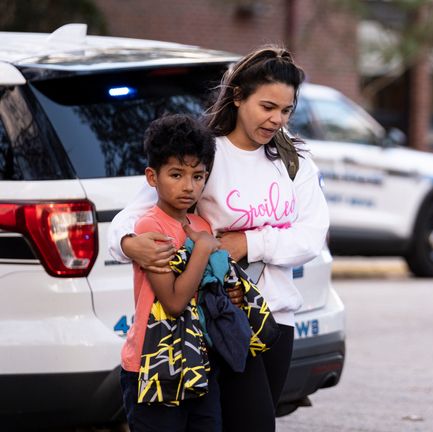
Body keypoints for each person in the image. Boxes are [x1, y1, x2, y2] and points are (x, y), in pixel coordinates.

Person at [108, 46, 330, 432]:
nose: (277, 119)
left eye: (286, 110)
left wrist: (247, 244)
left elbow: (311, 236)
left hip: (276, 318)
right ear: (239, 96)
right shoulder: (207, 154)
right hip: (223, 319)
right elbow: (135, 216)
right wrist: (128, 243)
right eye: (267, 107)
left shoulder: (295, 161)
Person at [119, 114, 221, 432]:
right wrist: (203, 251)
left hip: (198, 362)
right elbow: (174, 302)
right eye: (176, 174)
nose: (188, 186)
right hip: (154, 364)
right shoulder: (151, 227)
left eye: (198, 176)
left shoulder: (202, 225)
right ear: (152, 177)